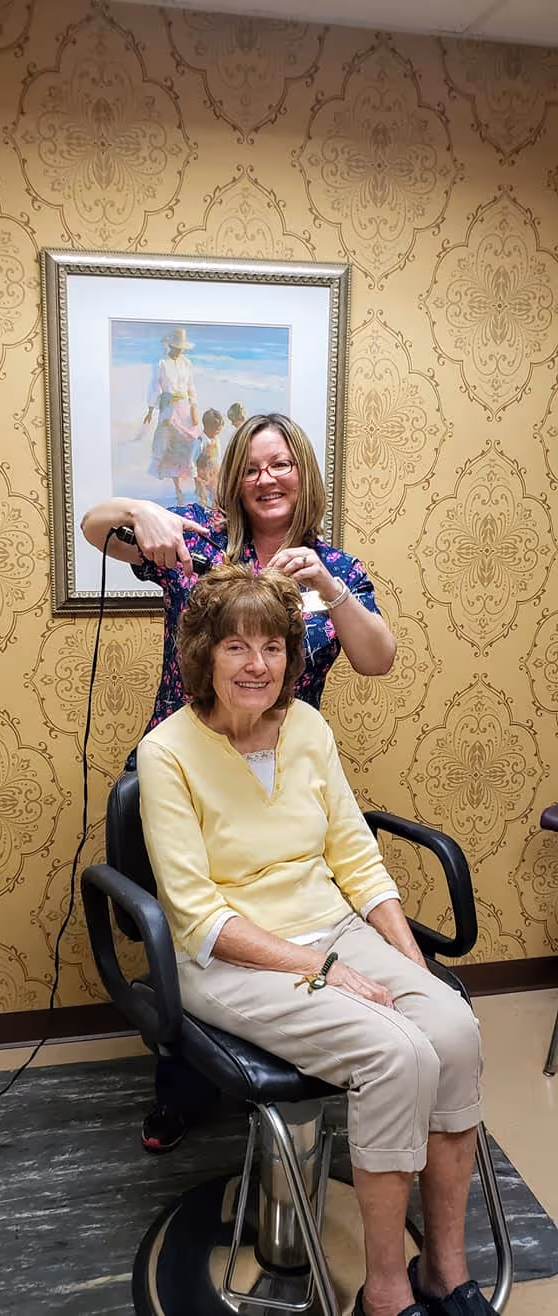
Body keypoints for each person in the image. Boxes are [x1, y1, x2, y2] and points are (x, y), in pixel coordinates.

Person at [136, 564, 494, 1316]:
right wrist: (322, 971)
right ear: (201, 655)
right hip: (231, 955)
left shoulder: (307, 725)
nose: (257, 664)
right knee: (393, 1054)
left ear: (291, 657)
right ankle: (388, 1295)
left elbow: (356, 859)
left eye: (271, 647)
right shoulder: (167, 754)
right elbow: (199, 918)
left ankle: (446, 1273)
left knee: (454, 1030)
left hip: (329, 926)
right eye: (235, 647)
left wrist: (407, 959)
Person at [81, 412, 397, 1152]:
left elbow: (380, 658)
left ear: (303, 474)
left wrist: (328, 587)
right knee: (192, 932)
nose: (267, 479)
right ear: (234, 481)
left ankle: (306, 1046)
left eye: (281, 464)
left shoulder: (333, 569)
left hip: (279, 780)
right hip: (184, 771)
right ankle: (183, 1091)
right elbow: (96, 527)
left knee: (283, 920)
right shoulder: (193, 543)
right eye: (252, 467)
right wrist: (138, 510)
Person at [145, 327, 200, 505]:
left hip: (184, 408)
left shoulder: (187, 363)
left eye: (182, 347)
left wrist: (194, 410)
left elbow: (191, 388)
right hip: (169, 407)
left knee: (189, 443)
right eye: (177, 346)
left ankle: (196, 487)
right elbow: (155, 387)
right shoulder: (161, 363)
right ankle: (178, 490)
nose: (180, 350)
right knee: (169, 445)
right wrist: (150, 409)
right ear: (170, 346)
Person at [194, 407, 224, 507]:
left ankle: (215, 513)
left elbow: (218, 456)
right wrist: (195, 475)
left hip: (214, 471)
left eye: (219, 429)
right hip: (202, 473)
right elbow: (192, 460)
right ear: (207, 427)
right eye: (216, 430)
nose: (218, 432)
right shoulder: (200, 441)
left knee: (217, 495)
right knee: (202, 497)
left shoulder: (217, 440)